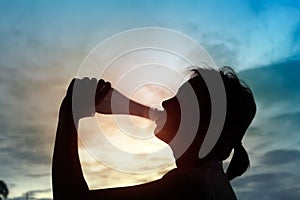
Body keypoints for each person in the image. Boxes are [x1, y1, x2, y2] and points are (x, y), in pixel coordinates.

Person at [52, 66, 256, 199]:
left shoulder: (191, 185)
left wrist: (69, 114)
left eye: (181, 102)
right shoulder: (213, 183)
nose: (165, 103)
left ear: (204, 126)